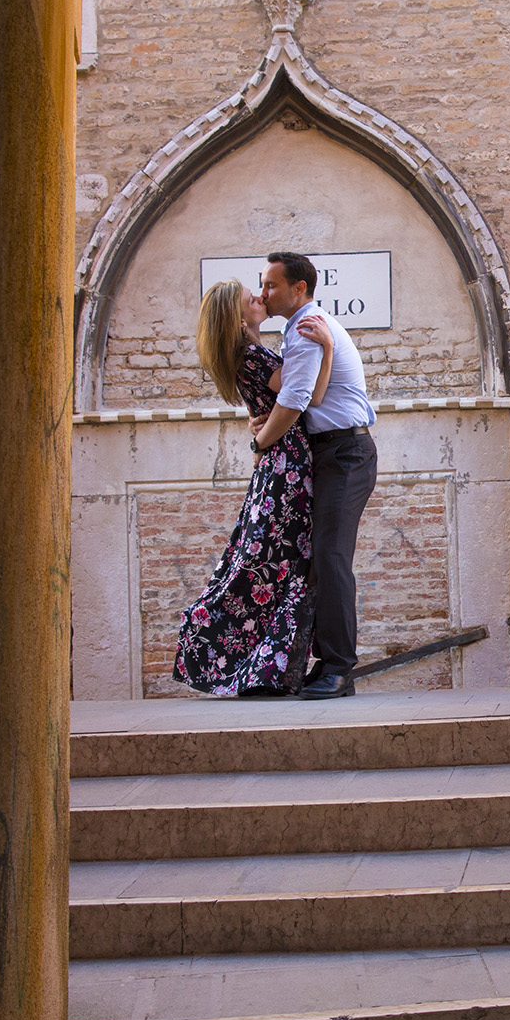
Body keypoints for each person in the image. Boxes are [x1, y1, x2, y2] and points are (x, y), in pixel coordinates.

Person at [172, 278, 334, 697]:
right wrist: (329, 349)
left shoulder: (248, 355)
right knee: (282, 565)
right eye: (251, 299)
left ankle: (267, 666)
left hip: (277, 468)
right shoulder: (255, 357)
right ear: (238, 316)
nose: (260, 299)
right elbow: (310, 398)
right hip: (287, 470)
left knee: (272, 563)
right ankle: (250, 660)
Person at [254, 250, 378, 699]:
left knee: (329, 557)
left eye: (271, 285)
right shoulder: (303, 329)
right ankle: (326, 662)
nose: (264, 292)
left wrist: (261, 441)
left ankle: (339, 669)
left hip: (345, 454)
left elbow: (296, 398)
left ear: (298, 288)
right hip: (330, 454)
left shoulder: (307, 329)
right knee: (320, 558)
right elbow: (307, 392)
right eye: (263, 285)